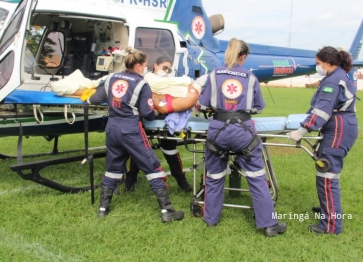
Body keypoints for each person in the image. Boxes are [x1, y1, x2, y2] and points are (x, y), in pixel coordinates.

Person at [198, 38, 287, 237]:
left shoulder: (214, 75)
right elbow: (257, 107)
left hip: (218, 131)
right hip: (243, 133)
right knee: (256, 177)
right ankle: (269, 224)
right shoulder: (250, 77)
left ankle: (211, 219)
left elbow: (203, 105)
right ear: (243, 56)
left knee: (214, 176)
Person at [85, 47, 184, 223]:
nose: (145, 69)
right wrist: (154, 108)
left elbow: (93, 99)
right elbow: (147, 113)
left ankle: (102, 209)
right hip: (130, 129)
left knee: (113, 167)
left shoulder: (111, 78)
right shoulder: (141, 84)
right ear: (138, 66)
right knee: (152, 166)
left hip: (112, 128)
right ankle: (167, 211)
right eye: (145, 65)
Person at [287, 46, 358, 234]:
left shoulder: (333, 80)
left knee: (327, 173)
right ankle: (329, 211)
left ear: (328, 63)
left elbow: (322, 111)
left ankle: (331, 225)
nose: (317, 66)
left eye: (318, 63)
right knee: (325, 171)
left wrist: (302, 130)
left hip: (339, 129)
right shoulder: (337, 76)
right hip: (340, 127)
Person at [125, 57, 193, 193]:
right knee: (139, 152)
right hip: (147, 117)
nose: (167, 71)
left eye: (169, 69)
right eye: (164, 68)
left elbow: (172, 96)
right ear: (155, 65)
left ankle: (182, 181)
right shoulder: (148, 78)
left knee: (170, 150)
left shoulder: (166, 81)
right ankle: (130, 182)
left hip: (163, 118)